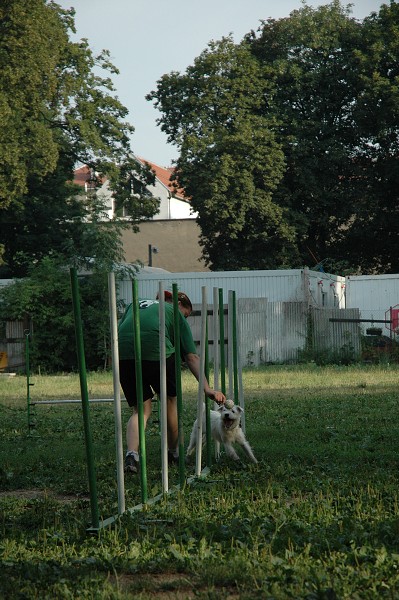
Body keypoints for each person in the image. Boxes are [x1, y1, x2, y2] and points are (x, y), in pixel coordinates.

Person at [118, 290, 226, 473]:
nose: (185, 319)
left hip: (125, 353)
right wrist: (207, 389)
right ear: (179, 305)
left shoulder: (135, 303)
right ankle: (173, 452)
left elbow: (122, 330)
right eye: (186, 314)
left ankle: (132, 454)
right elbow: (191, 357)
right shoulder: (174, 312)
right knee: (169, 401)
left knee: (141, 409)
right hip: (157, 352)